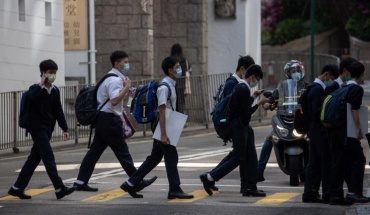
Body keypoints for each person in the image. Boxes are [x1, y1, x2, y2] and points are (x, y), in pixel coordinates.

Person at [73, 51, 156, 192]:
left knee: (94, 152)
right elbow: (114, 100)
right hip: (109, 120)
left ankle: (81, 181)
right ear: (117, 64)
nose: (127, 64)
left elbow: (116, 98)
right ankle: (135, 181)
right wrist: (126, 87)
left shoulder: (112, 77)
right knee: (122, 151)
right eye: (125, 62)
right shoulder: (114, 80)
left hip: (103, 119)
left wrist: (127, 90)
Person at [120, 56, 194, 199]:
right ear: (170, 70)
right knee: (171, 156)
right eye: (177, 67)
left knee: (155, 157)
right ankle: (174, 188)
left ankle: (130, 183)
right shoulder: (164, 87)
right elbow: (161, 110)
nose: (180, 69)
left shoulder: (170, 84)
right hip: (162, 124)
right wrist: (164, 134)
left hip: (165, 123)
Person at [8, 59, 75, 200]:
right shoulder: (35, 89)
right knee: (49, 157)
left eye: (54, 73)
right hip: (37, 129)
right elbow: (32, 98)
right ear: (43, 73)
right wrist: (41, 85)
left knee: (33, 159)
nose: (53, 75)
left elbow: (58, 111)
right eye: (50, 72)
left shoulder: (55, 90)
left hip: (48, 129)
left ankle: (17, 188)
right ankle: (59, 188)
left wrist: (64, 128)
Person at [199, 63, 267, 197]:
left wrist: (253, 97)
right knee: (238, 157)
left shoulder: (240, 86)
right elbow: (246, 114)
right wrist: (259, 103)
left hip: (239, 127)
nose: (256, 83)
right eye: (257, 80)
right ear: (252, 77)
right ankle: (210, 177)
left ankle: (249, 187)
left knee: (247, 156)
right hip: (239, 127)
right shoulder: (243, 89)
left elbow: (241, 107)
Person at [257, 60, 308, 182]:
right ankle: (259, 171)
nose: (296, 73)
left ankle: (319, 171)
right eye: (293, 71)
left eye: (298, 70)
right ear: (288, 73)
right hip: (284, 118)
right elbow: (272, 99)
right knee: (270, 138)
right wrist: (268, 104)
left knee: (315, 139)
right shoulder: (281, 88)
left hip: (302, 120)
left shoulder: (307, 87)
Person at [328, 61, 366, 205]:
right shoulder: (356, 90)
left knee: (338, 162)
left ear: (348, 73)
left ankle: (335, 195)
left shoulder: (342, 87)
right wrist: (359, 130)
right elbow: (354, 110)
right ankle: (354, 192)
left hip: (336, 129)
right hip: (348, 132)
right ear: (362, 74)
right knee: (359, 159)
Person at [302, 64, 339, 204]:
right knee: (325, 161)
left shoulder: (313, 87)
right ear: (327, 74)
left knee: (314, 162)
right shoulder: (317, 90)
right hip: (319, 129)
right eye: (332, 78)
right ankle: (326, 193)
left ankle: (310, 192)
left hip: (313, 130)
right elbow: (317, 111)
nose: (332, 81)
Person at [170, 43, 191, 114]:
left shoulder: (171, 60)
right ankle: (181, 121)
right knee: (181, 103)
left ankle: (175, 120)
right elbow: (189, 70)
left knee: (173, 103)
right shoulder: (184, 60)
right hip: (182, 84)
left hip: (173, 84)